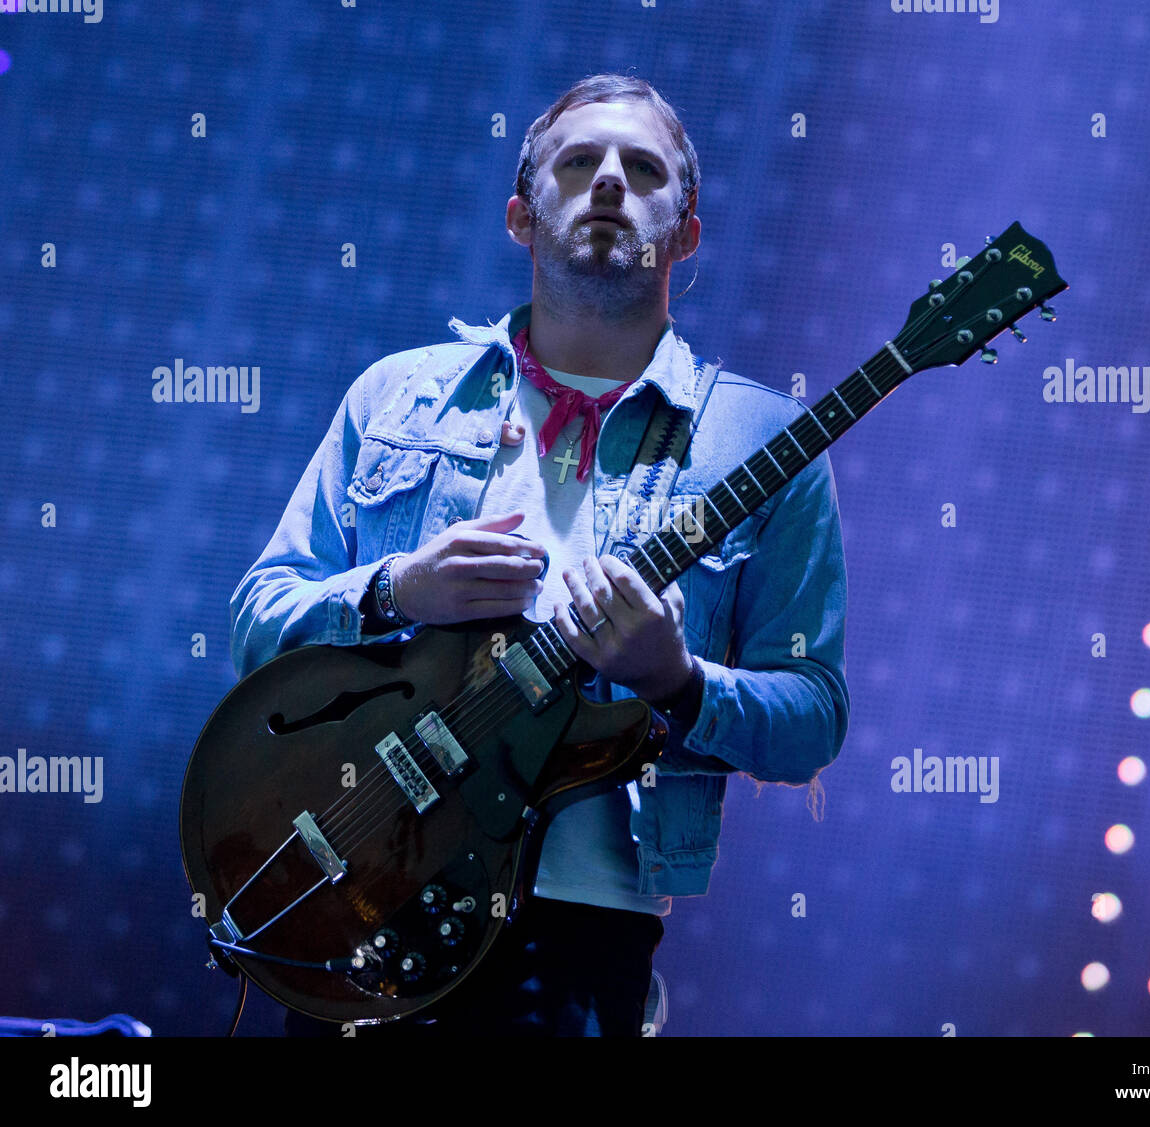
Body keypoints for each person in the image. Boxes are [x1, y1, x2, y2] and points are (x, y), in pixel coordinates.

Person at [229, 73, 850, 1037]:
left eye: (644, 168)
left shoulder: (761, 443)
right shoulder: (398, 396)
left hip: (581, 933)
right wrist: (399, 587)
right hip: (364, 877)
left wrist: (680, 681)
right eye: (579, 162)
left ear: (686, 236)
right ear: (522, 216)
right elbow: (258, 620)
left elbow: (813, 714)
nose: (609, 180)